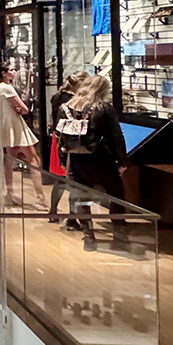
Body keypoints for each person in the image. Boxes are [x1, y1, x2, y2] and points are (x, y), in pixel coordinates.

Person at [58, 74, 132, 252]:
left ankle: (88, 237)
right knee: (116, 194)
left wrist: (63, 159)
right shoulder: (104, 108)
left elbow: (60, 135)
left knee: (81, 196)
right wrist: (122, 160)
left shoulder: (66, 107)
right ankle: (119, 236)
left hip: (76, 158)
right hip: (101, 158)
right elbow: (116, 136)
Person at [0, 64, 43, 204]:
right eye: (11, 70)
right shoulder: (7, 88)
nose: (14, 72)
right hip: (15, 125)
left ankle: (9, 193)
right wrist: (20, 109)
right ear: (4, 73)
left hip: (6, 125)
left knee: (10, 160)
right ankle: (40, 198)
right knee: (34, 160)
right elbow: (25, 109)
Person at [46, 71, 89, 227]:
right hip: (67, 141)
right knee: (71, 179)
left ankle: (53, 211)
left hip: (57, 139)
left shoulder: (58, 96)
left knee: (61, 179)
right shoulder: (72, 101)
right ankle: (72, 217)